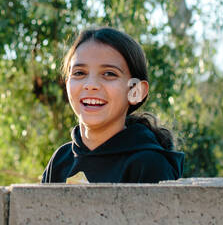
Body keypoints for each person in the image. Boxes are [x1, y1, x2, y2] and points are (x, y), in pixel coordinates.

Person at [40, 26, 184, 183]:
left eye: (109, 74)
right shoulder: (61, 160)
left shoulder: (149, 164)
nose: (91, 85)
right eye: (79, 73)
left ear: (136, 91)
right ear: (67, 84)